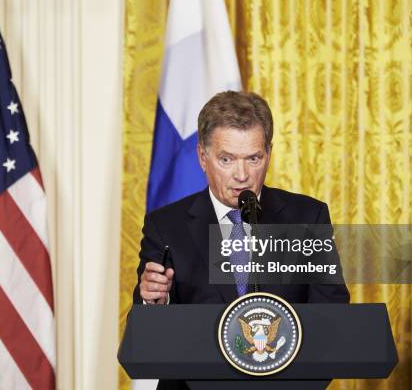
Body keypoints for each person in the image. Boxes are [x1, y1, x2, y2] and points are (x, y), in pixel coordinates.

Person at [133, 91, 350, 306]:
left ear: (269, 154)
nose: (242, 175)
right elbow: (145, 327)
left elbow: (333, 312)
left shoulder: (308, 218)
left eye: (253, 158)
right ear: (202, 157)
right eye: (226, 159)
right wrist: (156, 300)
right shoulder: (165, 227)